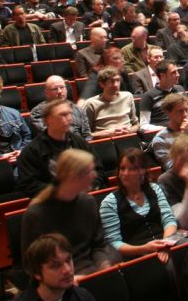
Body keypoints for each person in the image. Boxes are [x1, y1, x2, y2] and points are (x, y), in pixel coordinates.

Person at [20, 149, 113, 277]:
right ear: (72, 176)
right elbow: (31, 264)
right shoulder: (36, 215)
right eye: (89, 171)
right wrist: (69, 278)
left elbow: (98, 245)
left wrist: (104, 265)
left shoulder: (88, 202)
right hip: (58, 279)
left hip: (91, 272)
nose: (95, 175)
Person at [97, 148, 178, 262]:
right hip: (136, 253)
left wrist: (164, 244)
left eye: (132, 169)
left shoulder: (155, 189)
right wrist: (144, 249)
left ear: (143, 171)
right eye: (122, 168)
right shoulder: (109, 202)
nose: (125, 173)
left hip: (166, 242)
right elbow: (114, 243)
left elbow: (169, 219)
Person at [16, 98, 95, 197]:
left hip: (84, 196)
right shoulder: (31, 151)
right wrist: (61, 191)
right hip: (52, 203)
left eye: (70, 114)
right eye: (63, 115)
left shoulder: (80, 142)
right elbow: (29, 185)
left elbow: (97, 169)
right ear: (48, 120)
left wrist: (89, 187)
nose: (69, 118)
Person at [147, 92, 188, 169]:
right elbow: (171, 168)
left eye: (186, 110)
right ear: (168, 113)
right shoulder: (160, 139)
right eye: (180, 111)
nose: (185, 114)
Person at [80, 67, 140, 139]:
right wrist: (107, 133)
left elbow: (136, 125)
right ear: (102, 84)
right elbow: (85, 135)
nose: (116, 84)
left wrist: (129, 131)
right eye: (111, 81)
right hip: (106, 142)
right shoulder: (90, 104)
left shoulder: (128, 96)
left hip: (128, 138)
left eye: (118, 80)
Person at [28, 75, 91, 140]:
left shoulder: (78, 109)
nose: (60, 91)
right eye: (55, 89)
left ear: (66, 90)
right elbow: (52, 135)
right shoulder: (38, 112)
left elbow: (87, 135)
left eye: (62, 87)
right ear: (46, 92)